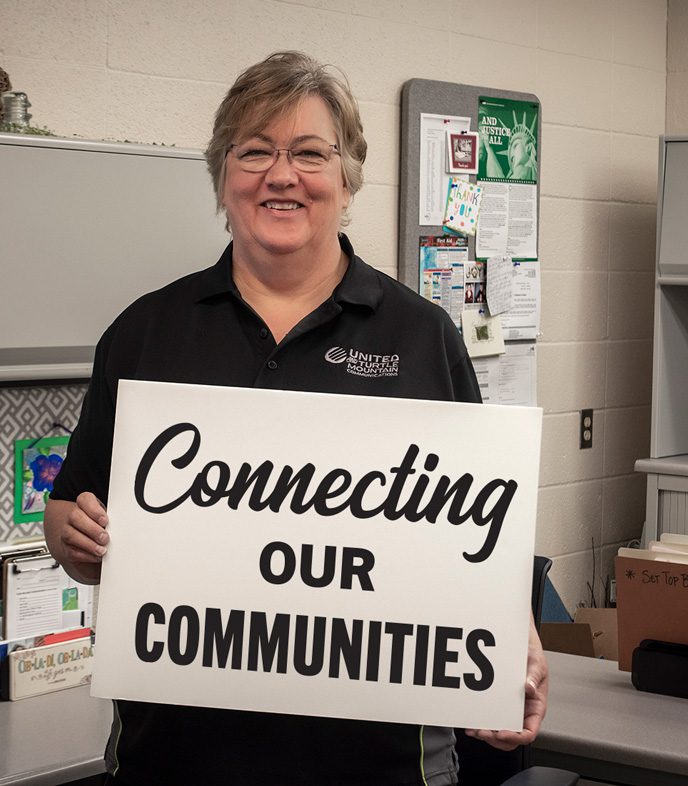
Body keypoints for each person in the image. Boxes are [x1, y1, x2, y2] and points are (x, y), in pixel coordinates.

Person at [44, 50, 548, 786]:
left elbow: (475, 541)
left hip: (378, 768)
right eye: (255, 151)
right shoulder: (145, 332)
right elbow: (69, 510)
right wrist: (72, 536)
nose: (281, 175)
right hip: (175, 761)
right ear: (223, 175)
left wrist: (514, 644)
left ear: (347, 178)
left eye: (310, 153)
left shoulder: (421, 337)